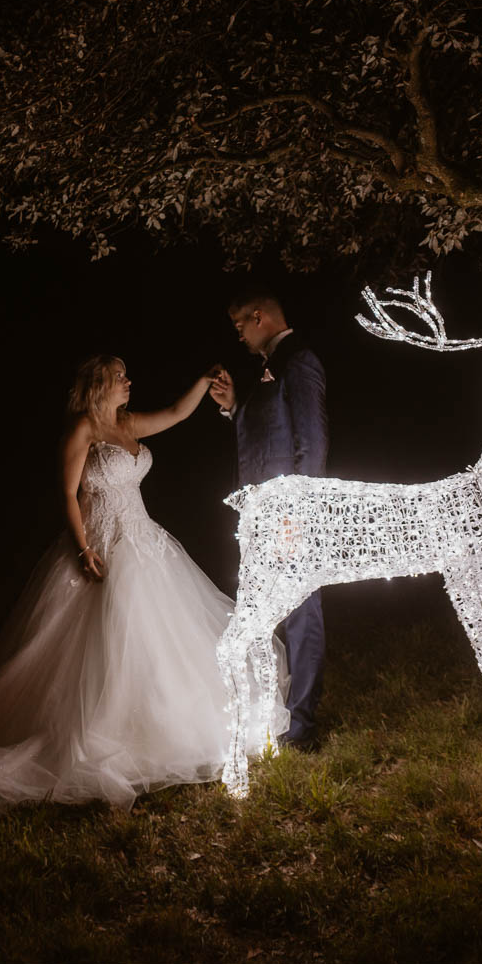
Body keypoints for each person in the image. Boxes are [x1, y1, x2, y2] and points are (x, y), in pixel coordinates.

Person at [0, 356, 287, 808]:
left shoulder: (128, 423)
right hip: (103, 545)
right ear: (99, 386)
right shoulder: (84, 431)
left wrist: (202, 381)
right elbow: (69, 494)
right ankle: (101, 738)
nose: (129, 382)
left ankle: (164, 727)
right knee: (105, 643)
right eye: (120, 377)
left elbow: (175, 413)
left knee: (157, 639)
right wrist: (82, 549)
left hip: (146, 543)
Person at [210, 286, 328, 750]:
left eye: (240, 326)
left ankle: (302, 726)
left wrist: (298, 511)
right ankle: (271, 715)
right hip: (259, 512)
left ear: (259, 317)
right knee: (260, 613)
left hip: (291, 513)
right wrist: (234, 406)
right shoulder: (267, 368)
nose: (238, 336)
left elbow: (312, 442)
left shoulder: (300, 361)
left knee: (301, 612)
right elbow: (269, 433)